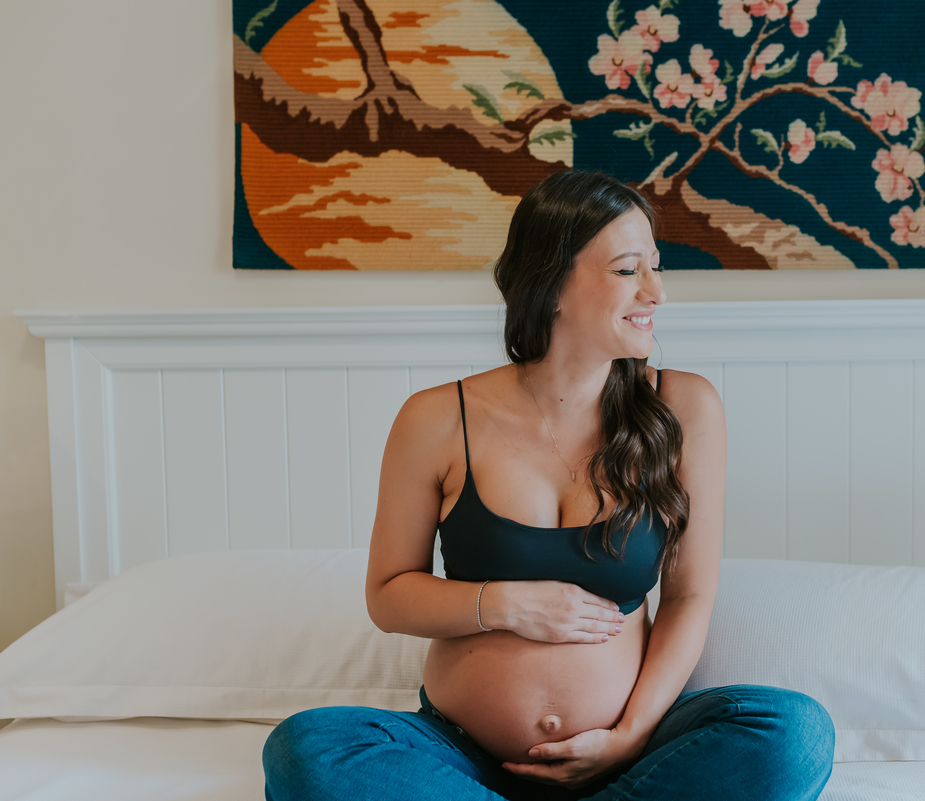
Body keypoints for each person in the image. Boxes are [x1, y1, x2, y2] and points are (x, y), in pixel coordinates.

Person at [261, 170, 834, 800]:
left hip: (633, 755)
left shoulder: (684, 407)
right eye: (626, 270)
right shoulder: (435, 418)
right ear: (552, 283)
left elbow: (688, 596)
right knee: (307, 749)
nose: (656, 293)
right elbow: (389, 595)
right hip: (460, 757)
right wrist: (507, 605)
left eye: (656, 267)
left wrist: (631, 734)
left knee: (793, 733)